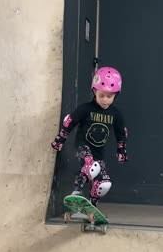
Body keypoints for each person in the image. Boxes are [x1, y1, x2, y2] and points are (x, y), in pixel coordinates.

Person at [50, 66, 128, 207]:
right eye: (101, 95)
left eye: (109, 96)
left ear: (116, 95)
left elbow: (121, 133)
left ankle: (91, 206)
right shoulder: (86, 109)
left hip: (99, 153)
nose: (105, 100)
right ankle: (77, 191)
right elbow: (69, 122)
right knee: (91, 164)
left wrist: (121, 150)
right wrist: (60, 139)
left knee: (104, 184)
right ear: (94, 91)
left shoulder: (116, 114)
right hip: (83, 147)